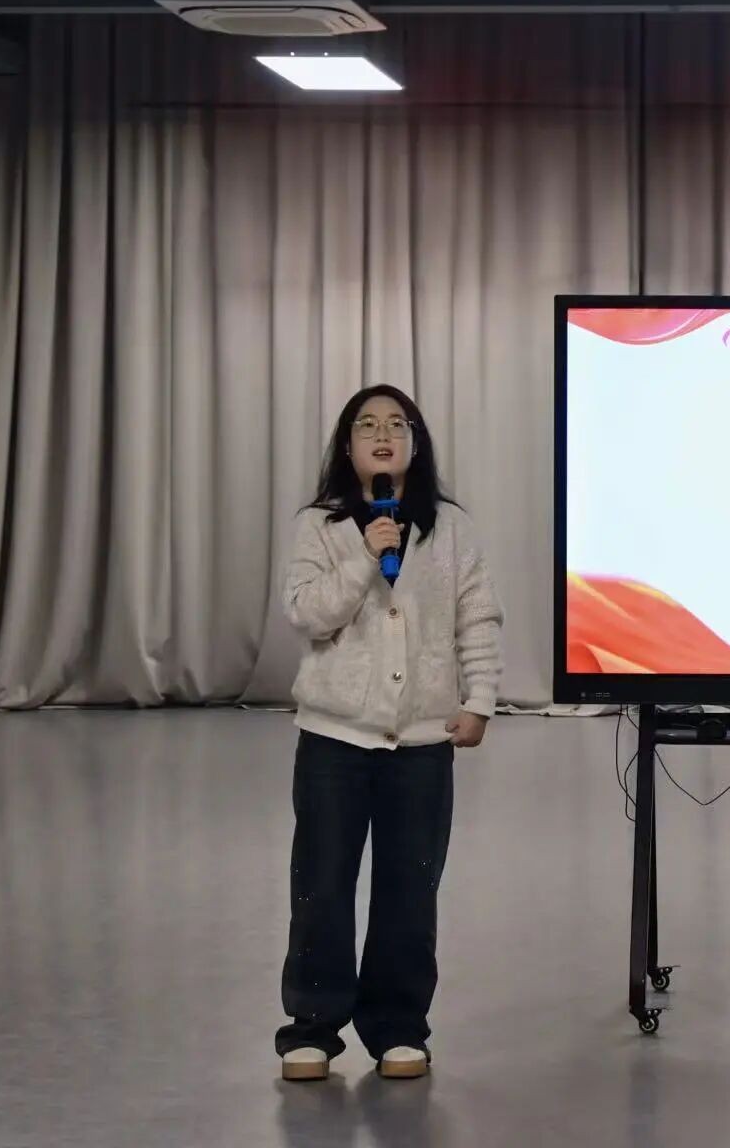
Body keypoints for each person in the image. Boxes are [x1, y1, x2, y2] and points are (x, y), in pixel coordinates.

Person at [275, 385, 502, 1082]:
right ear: (347, 447)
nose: (382, 435)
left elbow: (477, 617)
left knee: (410, 889)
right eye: (367, 425)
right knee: (322, 885)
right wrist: (364, 558)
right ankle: (312, 1027)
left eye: (396, 425)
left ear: (414, 443)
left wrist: (480, 699)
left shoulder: (451, 528)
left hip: (423, 742)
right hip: (334, 739)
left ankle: (398, 1027)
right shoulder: (320, 525)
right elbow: (306, 614)